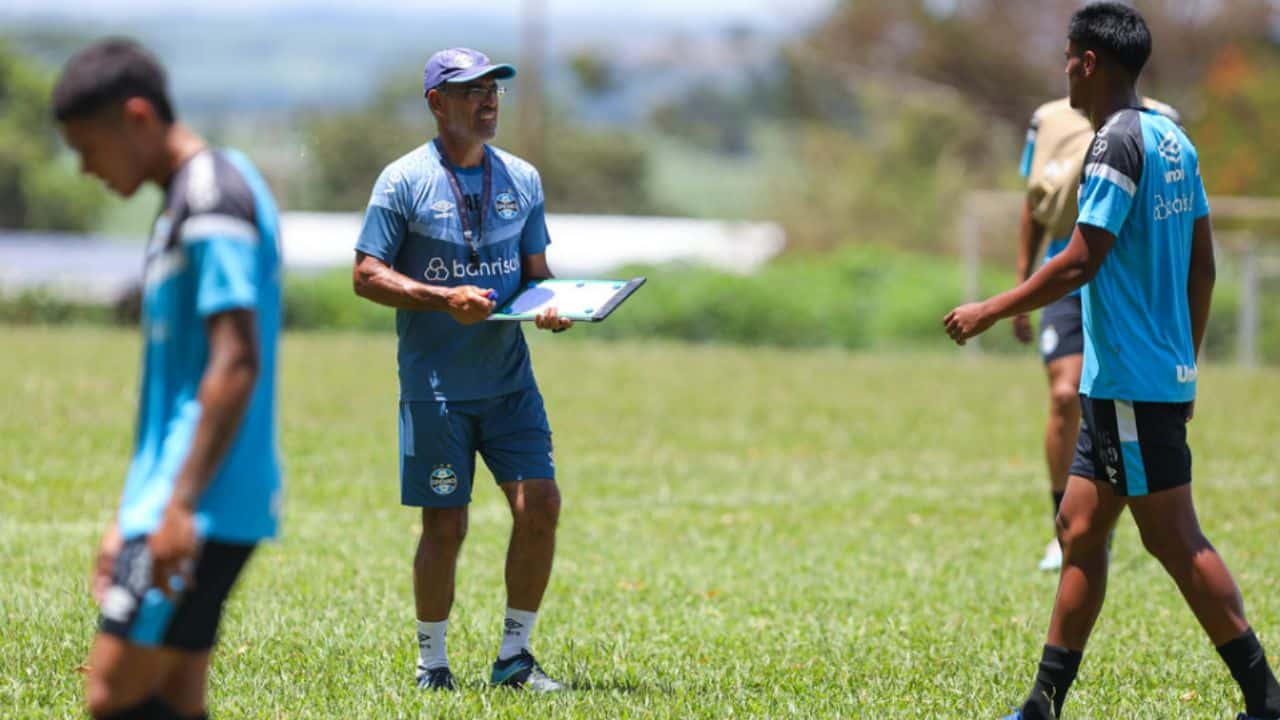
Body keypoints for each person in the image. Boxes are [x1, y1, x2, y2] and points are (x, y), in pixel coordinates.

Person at [943, 4, 1280, 718]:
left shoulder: (1115, 144)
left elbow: (1080, 259)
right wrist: (1185, 365)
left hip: (1127, 378)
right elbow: (1204, 267)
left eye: (1068, 56)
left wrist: (991, 308)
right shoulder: (1172, 142)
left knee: (1174, 539)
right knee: (1079, 528)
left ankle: (1265, 696)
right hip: (1140, 376)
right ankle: (1042, 705)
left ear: (1090, 61)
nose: (1064, 68)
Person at [53, 39, 283, 720]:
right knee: (174, 695)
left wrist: (176, 508)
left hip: (201, 504)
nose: (85, 168)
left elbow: (236, 358)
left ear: (137, 118)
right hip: (177, 500)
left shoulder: (213, 196)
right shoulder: (183, 199)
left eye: (88, 146)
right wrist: (131, 515)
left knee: (112, 693)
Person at [352, 47, 571, 693]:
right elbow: (365, 274)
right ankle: (432, 666)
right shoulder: (403, 181)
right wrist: (441, 297)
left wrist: (552, 308)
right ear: (436, 104)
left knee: (541, 505)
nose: (488, 101)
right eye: (472, 91)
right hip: (436, 388)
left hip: (509, 382)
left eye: (493, 90)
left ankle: (514, 659)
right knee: (445, 524)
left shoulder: (523, 180)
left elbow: (536, 277)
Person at [1014, 92, 1179, 573]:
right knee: (1066, 395)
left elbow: (1180, 210)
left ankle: (1106, 520)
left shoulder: (1159, 122)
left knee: (1114, 400)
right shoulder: (1046, 118)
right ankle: (1064, 528)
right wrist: (1023, 283)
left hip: (1128, 281)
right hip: (1064, 277)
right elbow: (1035, 201)